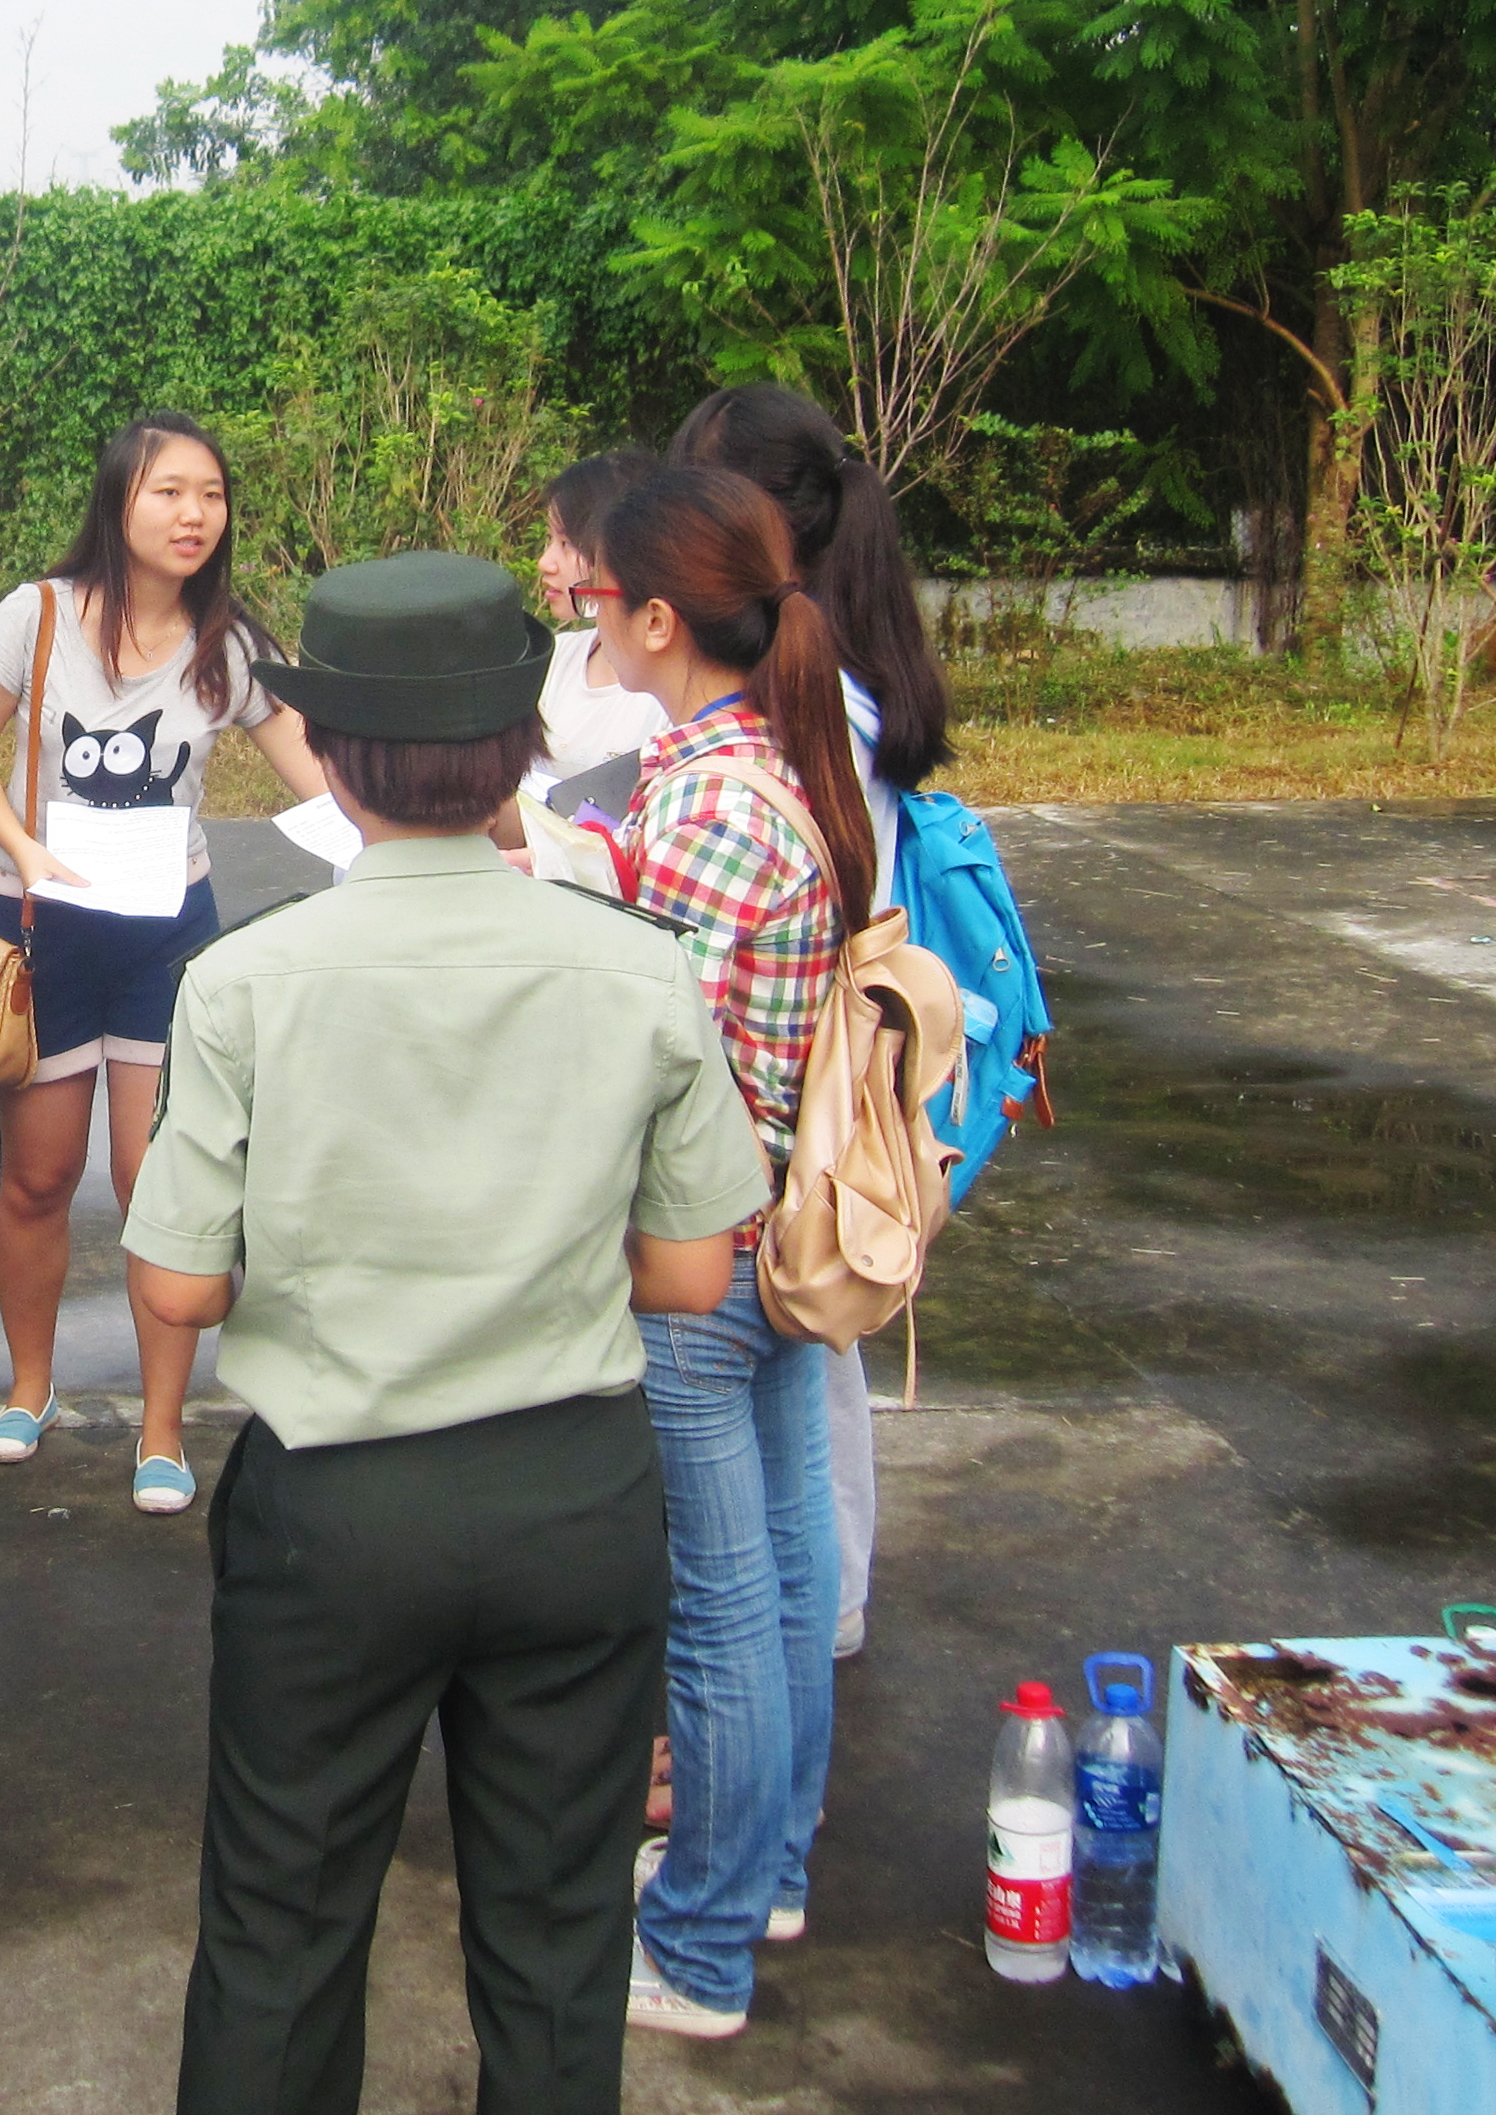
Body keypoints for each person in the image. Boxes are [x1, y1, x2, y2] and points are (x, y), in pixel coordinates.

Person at [123, 551, 768, 2115]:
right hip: (573, 1496)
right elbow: (692, 1273)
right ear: (522, 752)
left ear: (332, 765)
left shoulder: (243, 979)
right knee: (555, 1949)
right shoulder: (635, 964)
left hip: (334, 1513)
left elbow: (177, 1286)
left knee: (278, 1933)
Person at [585, 462, 880, 2037]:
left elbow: (651, 1051)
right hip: (773, 1238)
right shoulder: (769, 764)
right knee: (780, 1574)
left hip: (704, 1259)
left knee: (717, 1609)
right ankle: (764, 1873)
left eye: (594, 593)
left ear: (655, 617)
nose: (580, 616)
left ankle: (700, 1946)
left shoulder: (709, 802)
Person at [0, 412, 327, 1517]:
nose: (194, 514)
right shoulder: (36, 615)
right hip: (42, 928)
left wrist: (422, 822)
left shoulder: (226, 643)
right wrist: (20, 845)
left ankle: (160, 1429)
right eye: (168, 492)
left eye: (211, 494)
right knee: (37, 1177)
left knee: (158, 1185)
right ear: (118, 501)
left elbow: (319, 777)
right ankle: (29, 1387)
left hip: (165, 935)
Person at [670, 384, 954, 1664]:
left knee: (800, 1326)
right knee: (812, 1332)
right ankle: (818, 1605)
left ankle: (811, 1609)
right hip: (835, 1059)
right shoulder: (840, 662)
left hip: (794, 1068)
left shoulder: (801, 693)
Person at [528, 448, 666, 802]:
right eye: (549, 540)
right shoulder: (554, 658)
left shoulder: (667, 692)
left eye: (567, 544)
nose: (545, 562)